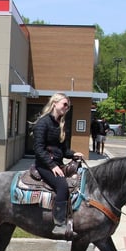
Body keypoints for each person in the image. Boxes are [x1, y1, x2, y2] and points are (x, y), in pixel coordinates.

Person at [31, 92, 82, 240]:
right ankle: (59, 225)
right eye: (64, 104)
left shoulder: (60, 124)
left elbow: (63, 150)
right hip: (44, 166)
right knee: (62, 186)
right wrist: (52, 166)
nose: (67, 107)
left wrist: (73, 154)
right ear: (55, 103)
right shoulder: (43, 123)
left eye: (68, 106)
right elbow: (38, 149)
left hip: (58, 164)